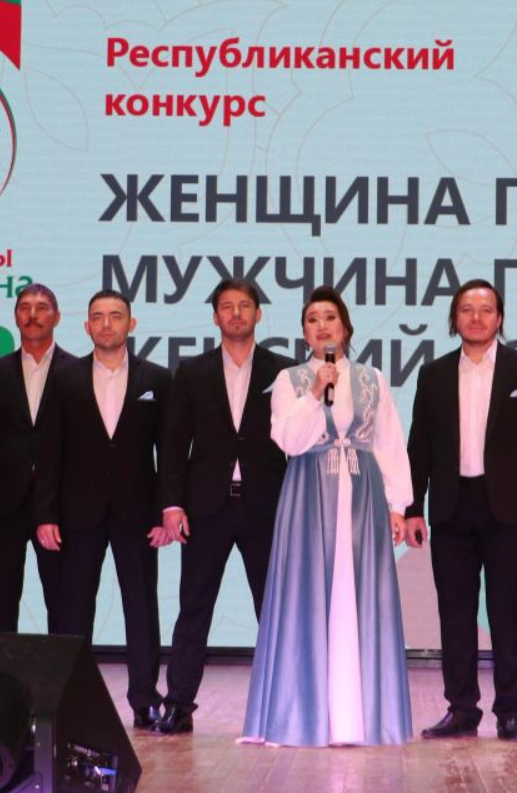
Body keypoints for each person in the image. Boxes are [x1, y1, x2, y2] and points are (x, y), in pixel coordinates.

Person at [240, 285, 413, 746]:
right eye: (313, 319)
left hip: (362, 495)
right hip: (308, 495)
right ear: (303, 332)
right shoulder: (290, 380)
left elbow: (389, 442)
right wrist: (316, 391)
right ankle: (304, 714)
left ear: (345, 327)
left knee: (362, 597)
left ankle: (363, 718)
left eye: (330, 318)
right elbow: (288, 440)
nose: (322, 326)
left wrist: (398, 505)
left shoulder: (373, 379)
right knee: (308, 597)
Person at [406, 279, 517, 742]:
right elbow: (419, 446)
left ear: (500, 317)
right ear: (455, 319)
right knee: (455, 616)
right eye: (467, 309)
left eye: (486, 309)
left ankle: (510, 711)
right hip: (451, 509)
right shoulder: (433, 374)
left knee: (507, 614)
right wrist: (412, 508)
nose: (476, 317)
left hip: (507, 510)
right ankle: (461, 710)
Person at [155, 278, 296, 734]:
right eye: (227, 307)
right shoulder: (191, 371)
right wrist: (172, 505)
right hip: (205, 508)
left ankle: (284, 705)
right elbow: (173, 443)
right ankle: (178, 703)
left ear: (259, 314)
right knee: (194, 607)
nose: (236, 313)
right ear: (215, 317)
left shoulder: (284, 371)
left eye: (244, 305)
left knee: (273, 610)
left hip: (266, 506)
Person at [34, 290, 170, 731]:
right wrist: (45, 514)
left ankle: (145, 699)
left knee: (141, 607)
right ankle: (67, 702)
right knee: (72, 610)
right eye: (98, 316)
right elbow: (49, 451)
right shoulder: (64, 378)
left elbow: (167, 453)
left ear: (132, 323)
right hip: (77, 513)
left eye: (115, 316)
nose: (107, 324)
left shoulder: (157, 378)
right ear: (86, 325)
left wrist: (164, 512)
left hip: (138, 514)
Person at [0, 283, 72, 633]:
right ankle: (1, 668)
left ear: (57, 317)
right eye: (24, 307)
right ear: (15, 317)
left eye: (41, 307)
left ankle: (61, 668)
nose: (32, 315)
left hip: (58, 505)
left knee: (62, 597)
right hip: (3, 505)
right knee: (0, 597)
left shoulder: (76, 371)